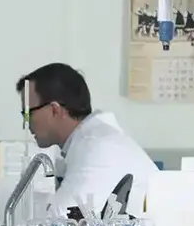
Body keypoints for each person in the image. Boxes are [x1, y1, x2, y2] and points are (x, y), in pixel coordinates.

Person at [17, 63, 157, 216]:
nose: (26, 123)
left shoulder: (98, 147)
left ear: (55, 110)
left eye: (27, 114)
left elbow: (60, 220)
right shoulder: (89, 141)